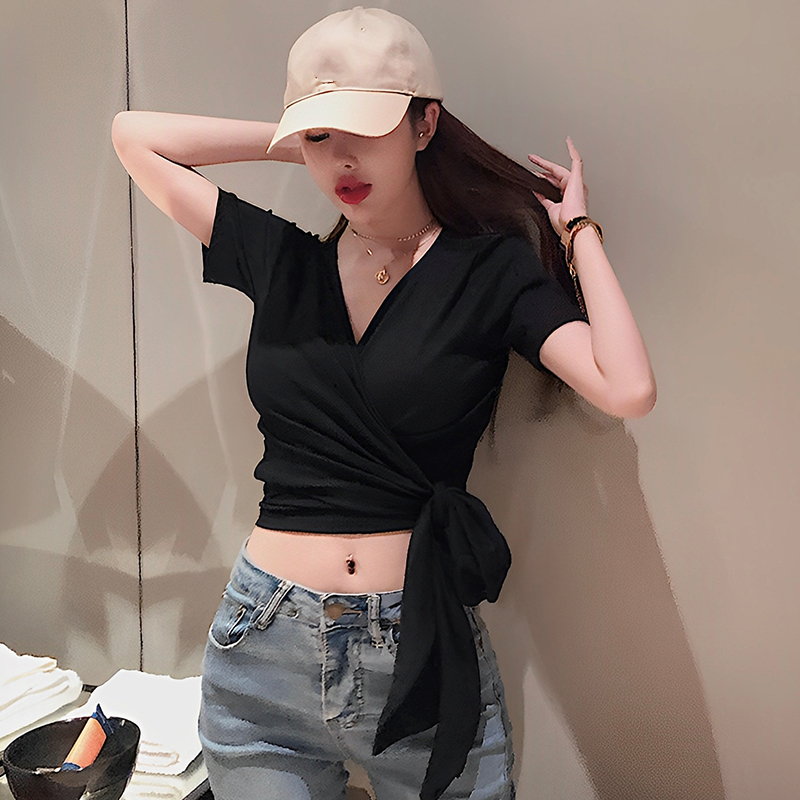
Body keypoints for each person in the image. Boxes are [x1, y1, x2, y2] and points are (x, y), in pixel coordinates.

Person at [111, 7, 656, 800]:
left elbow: (626, 386)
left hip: (416, 651)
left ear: (425, 125)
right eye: (321, 138)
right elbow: (133, 137)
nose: (342, 159)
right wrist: (296, 134)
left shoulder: (488, 271)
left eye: (366, 130)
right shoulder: (283, 261)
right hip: (261, 651)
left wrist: (579, 230)